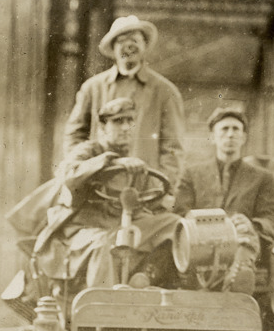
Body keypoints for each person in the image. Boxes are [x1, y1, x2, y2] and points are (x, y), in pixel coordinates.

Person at [36, 98, 181, 289]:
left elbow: (150, 198)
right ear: (103, 127)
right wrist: (110, 162)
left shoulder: (134, 162)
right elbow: (66, 175)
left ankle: (145, 276)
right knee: (103, 245)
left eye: (130, 121)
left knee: (176, 225)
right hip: (81, 229)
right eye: (118, 121)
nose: (126, 127)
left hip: (120, 226)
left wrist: (163, 199)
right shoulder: (89, 151)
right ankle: (102, 303)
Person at [63, 16, 185, 185]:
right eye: (121, 41)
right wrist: (85, 171)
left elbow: (173, 148)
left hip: (145, 188)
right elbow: (74, 135)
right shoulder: (93, 88)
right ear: (113, 48)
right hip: (99, 187)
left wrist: (164, 188)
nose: (128, 46)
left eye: (134, 40)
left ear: (144, 45)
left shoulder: (165, 91)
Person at [174, 105, 274, 292]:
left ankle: (239, 277)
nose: (230, 135)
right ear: (212, 137)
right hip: (199, 240)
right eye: (224, 129)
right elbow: (179, 212)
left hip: (241, 240)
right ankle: (228, 285)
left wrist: (252, 225)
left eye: (236, 129)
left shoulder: (262, 178)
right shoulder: (192, 174)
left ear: (244, 137)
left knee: (244, 238)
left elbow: (272, 220)